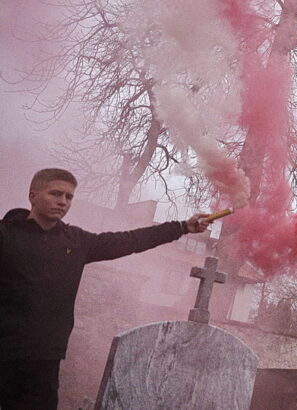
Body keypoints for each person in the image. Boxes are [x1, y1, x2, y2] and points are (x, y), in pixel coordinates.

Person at [0, 168, 211, 409]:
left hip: (44, 359)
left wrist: (182, 227)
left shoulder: (76, 241)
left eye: (69, 196)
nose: (63, 202)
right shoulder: (6, 235)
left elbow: (129, 240)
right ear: (33, 196)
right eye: (56, 193)